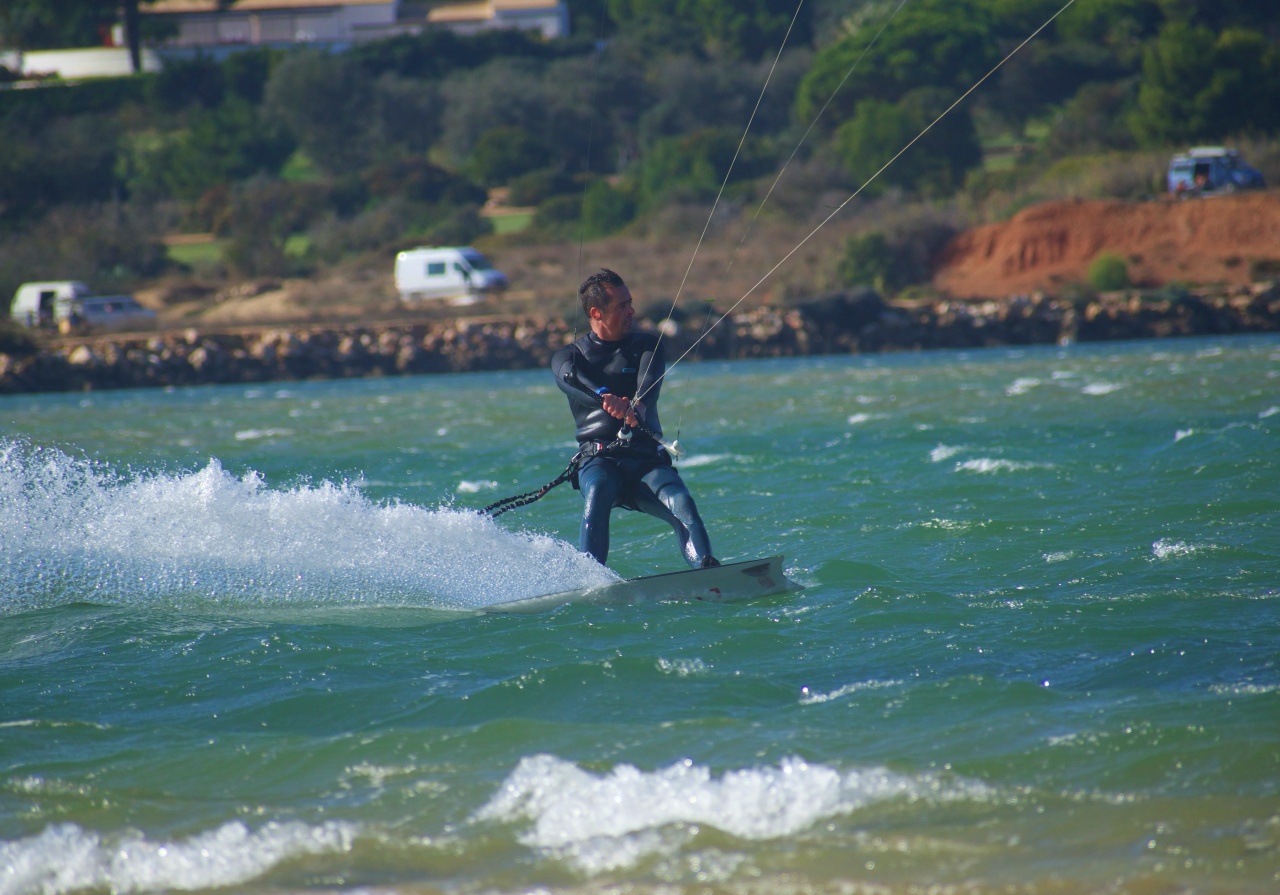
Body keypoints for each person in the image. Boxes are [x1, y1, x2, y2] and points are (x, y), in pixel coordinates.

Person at [551, 268, 718, 569]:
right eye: (622, 305)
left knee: (680, 500)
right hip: (599, 461)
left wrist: (636, 406)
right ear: (596, 312)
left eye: (630, 302)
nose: (632, 310)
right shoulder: (569, 356)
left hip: (645, 460)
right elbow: (571, 380)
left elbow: (648, 383)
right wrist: (604, 397)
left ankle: (707, 570)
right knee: (599, 491)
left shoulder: (646, 345)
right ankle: (589, 578)